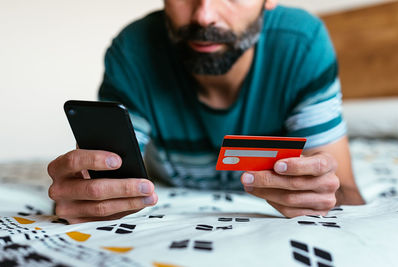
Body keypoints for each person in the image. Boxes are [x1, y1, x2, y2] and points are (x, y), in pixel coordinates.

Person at [47, 0, 365, 224]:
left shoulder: (302, 43)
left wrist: (322, 194)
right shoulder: (133, 51)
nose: (204, 16)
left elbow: (344, 192)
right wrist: (86, 194)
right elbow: (104, 177)